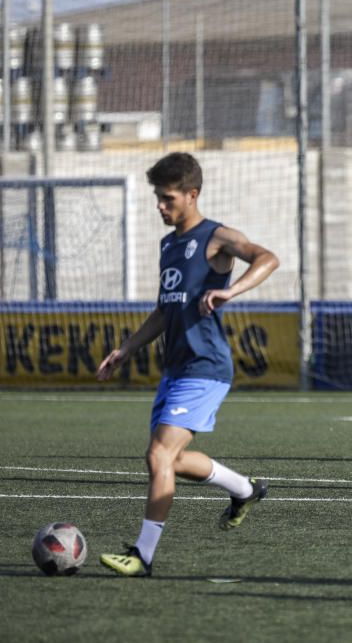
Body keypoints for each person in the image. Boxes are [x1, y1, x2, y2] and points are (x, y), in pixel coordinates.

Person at [96, 152, 280, 577]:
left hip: (205, 366)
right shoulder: (169, 244)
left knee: (159, 454)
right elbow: (165, 310)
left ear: (192, 194)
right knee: (172, 460)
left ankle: (142, 556)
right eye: (158, 199)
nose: (161, 206)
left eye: (168, 198)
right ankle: (245, 489)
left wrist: (231, 291)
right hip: (175, 368)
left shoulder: (216, 237)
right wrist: (127, 349)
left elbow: (267, 257)